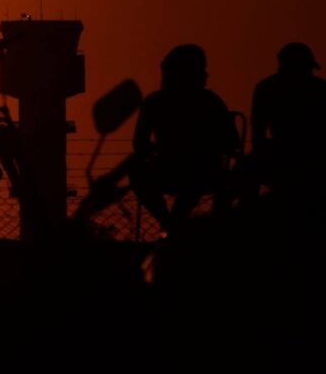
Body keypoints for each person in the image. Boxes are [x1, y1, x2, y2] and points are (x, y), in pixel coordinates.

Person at [130, 44, 241, 234]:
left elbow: (231, 142)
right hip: (171, 169)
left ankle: (171, 226)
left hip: (202, 171)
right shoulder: (206, 101)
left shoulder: (207, 102)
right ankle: (171, 223)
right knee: (138, 170)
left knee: (193, 172)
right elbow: (139, 144)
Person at [249, 42, 326, 197]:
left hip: (293, 153)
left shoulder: (266, 88)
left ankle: (243, 211)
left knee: (248, 169)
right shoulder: (320, 89)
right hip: (312, 155)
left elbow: (258, 131)